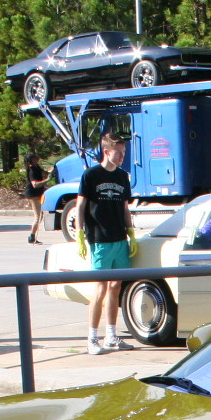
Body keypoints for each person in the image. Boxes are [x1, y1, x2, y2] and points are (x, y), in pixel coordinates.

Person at [79, 132, 134, 353]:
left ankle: (112, 335)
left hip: (119, 238)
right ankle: (92, 338)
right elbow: (81, 204)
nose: (121, 157)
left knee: (116, 286)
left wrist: (131, 231)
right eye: (118, 153)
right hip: (99, 238)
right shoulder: (91, 175)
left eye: (124, 153)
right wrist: (79, 233)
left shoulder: (122, 177)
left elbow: (124, 207)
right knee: (100, 287)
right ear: (106, 151)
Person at [21, 153, 49, 243]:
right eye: (35, 158)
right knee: (38, 217)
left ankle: (33, 237)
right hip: (33, 195)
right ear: (31, 160)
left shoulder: (37, 167)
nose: (37, 159)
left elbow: (44, 173)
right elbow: (35, 184)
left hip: (37, 194)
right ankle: (32, 237)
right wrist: (47, 180)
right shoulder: (32, 170)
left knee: (39, 217)